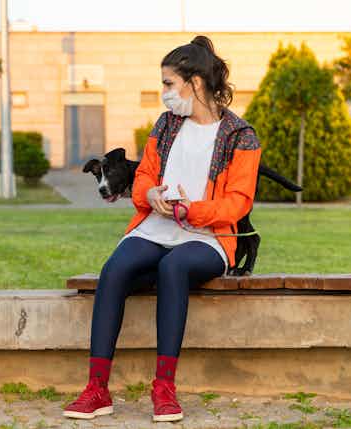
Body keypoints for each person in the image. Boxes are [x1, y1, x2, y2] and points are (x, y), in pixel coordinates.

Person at [62, 35, 262, 422]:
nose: (165, 93)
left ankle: (164, 388)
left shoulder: (241, 136)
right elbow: (144, 177)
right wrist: (150, 194)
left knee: (174, 267)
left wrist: (191, 210)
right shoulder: (166, 125)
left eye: (169, 84)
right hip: (155, 226)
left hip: (207, 236)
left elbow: (238, 203)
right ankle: (96, 389)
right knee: (115, 269)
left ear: (195, 83)